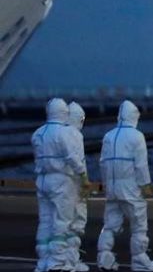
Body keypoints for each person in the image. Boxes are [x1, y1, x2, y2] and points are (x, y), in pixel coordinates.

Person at [97, 100, 153, 271]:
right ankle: (139, 260)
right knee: (139, 224)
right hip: (130, 187)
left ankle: (104, 257)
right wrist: (145, 184)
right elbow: (140, 164)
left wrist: (106, 183)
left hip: (112, 187)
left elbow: (102, 163)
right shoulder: (137, 136)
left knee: (110, 223)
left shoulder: (108, 136)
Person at [33, 98, 89, 272]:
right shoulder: (64, 133)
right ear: (64, 113)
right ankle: (57, 263)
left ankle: (43, 261)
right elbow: (71, 157)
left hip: (42, 179)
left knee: (45, 221)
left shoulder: (38, 133)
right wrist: (83, 176)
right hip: (61, 180)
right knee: (62, 221)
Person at [67, 101, 90, 272]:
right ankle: (70, 261)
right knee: (76, 221)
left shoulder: (56, 133)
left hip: (57, 186)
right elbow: (78, 162)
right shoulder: (75, 135)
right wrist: (85, 182)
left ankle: (59, 260)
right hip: (72, 185)